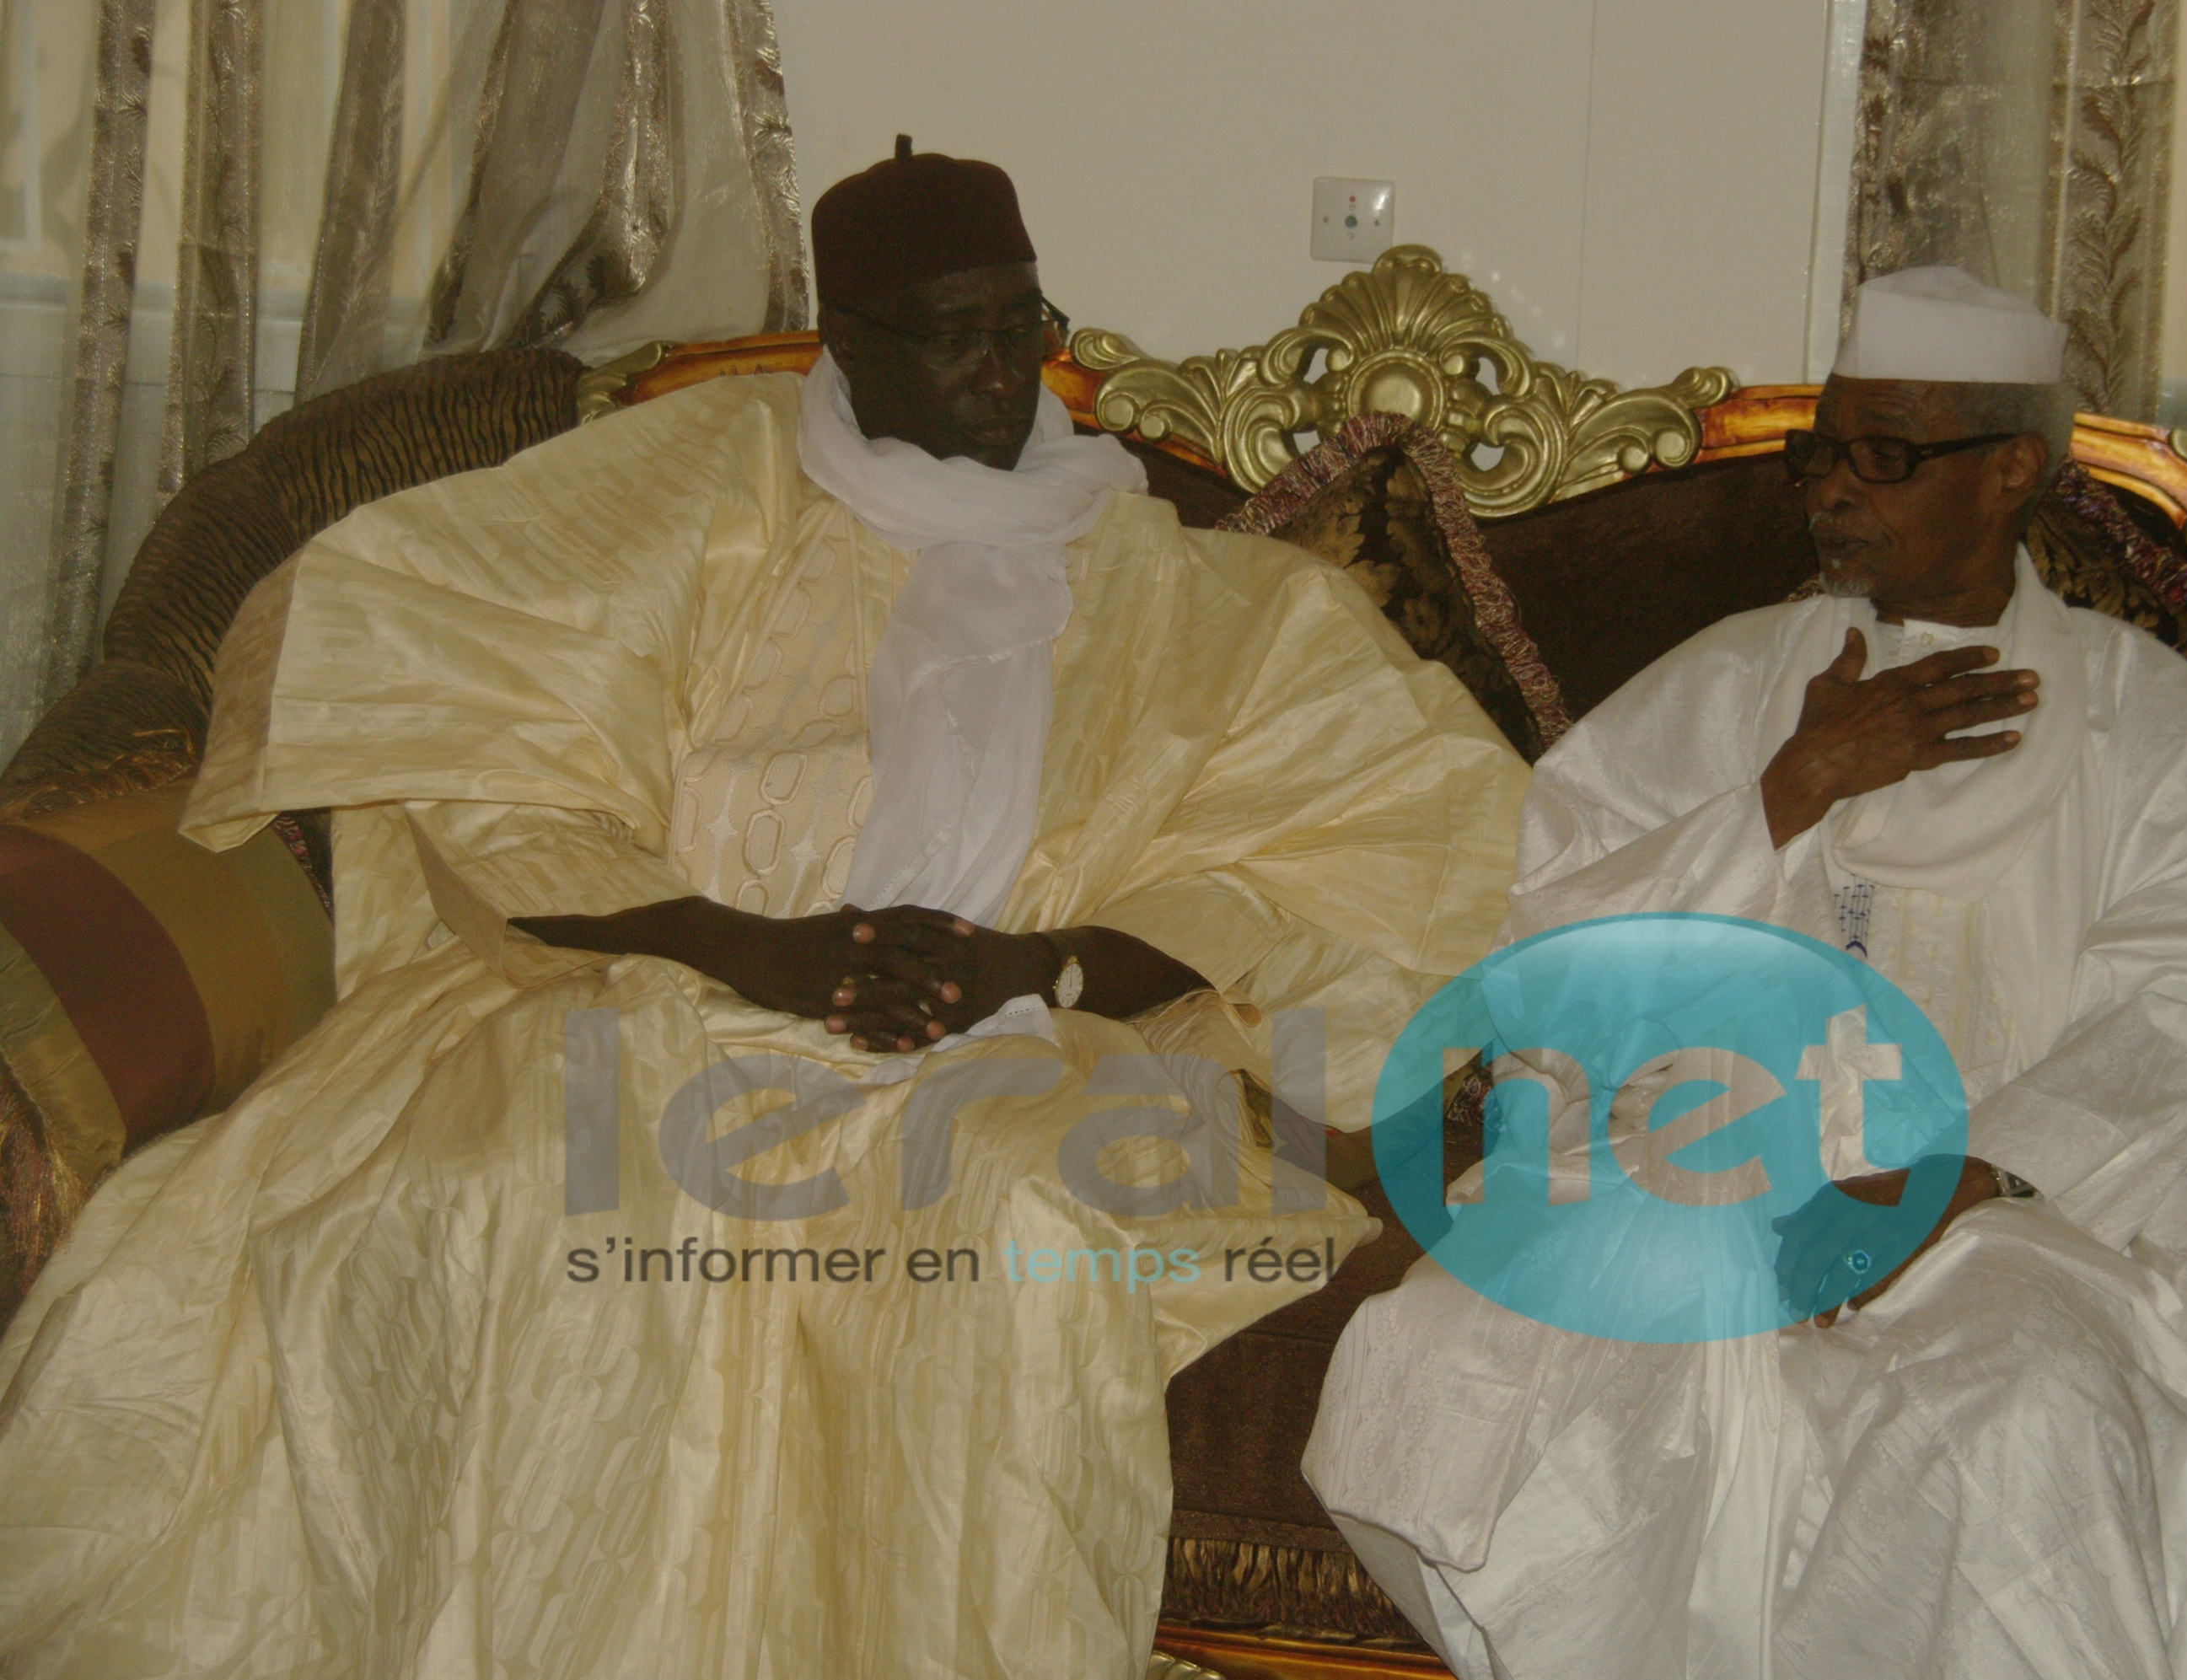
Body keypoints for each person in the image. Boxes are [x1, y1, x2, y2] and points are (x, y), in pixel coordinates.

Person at [0, 140, 1526, 1679]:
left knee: (1006, 1234)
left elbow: (1359, 834)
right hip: (665, 979)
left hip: (1010, 1036)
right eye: (957, 333)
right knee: (526, 1180)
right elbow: (440, 674)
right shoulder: (703, 485)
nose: (1008, 370)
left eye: (1026, 322)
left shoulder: (1193, 593)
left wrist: (1040, 964)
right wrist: (745, 946)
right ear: (846, 345)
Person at [1303, 266, 2187, 1680]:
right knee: (1459, 1362)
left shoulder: (2139, 720)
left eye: (1887, 456)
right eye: (1827, 451)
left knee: (2023, 1413)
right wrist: (1785, 794)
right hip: (1694, 1175)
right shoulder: (1736, 680)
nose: (1834, 493)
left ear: (2012, 473)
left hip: (2009, 1215)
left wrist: (1969, 1174)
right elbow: (1543, 951)